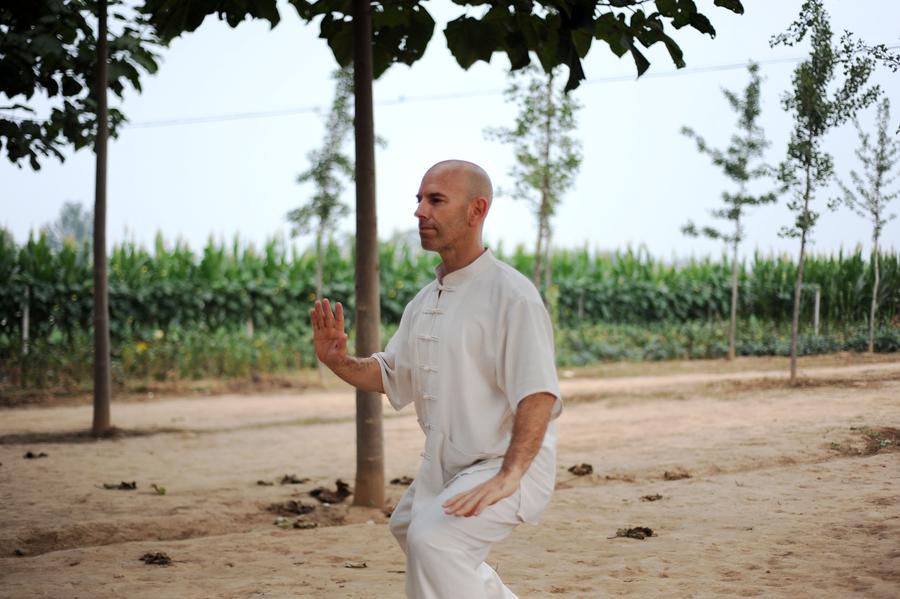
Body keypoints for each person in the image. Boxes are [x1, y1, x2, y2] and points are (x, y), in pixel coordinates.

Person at [309, 159, 562, 599]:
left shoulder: (513, 296)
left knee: (433, 541)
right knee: (410, 529)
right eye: (419, 200)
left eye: (436, 200)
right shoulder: (425, 302)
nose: (420, 212)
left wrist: (509, 474)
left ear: (476, 210)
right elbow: (393, 376)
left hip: (504, 464)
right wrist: (340, 361)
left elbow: (537, 394)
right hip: (444, 466)